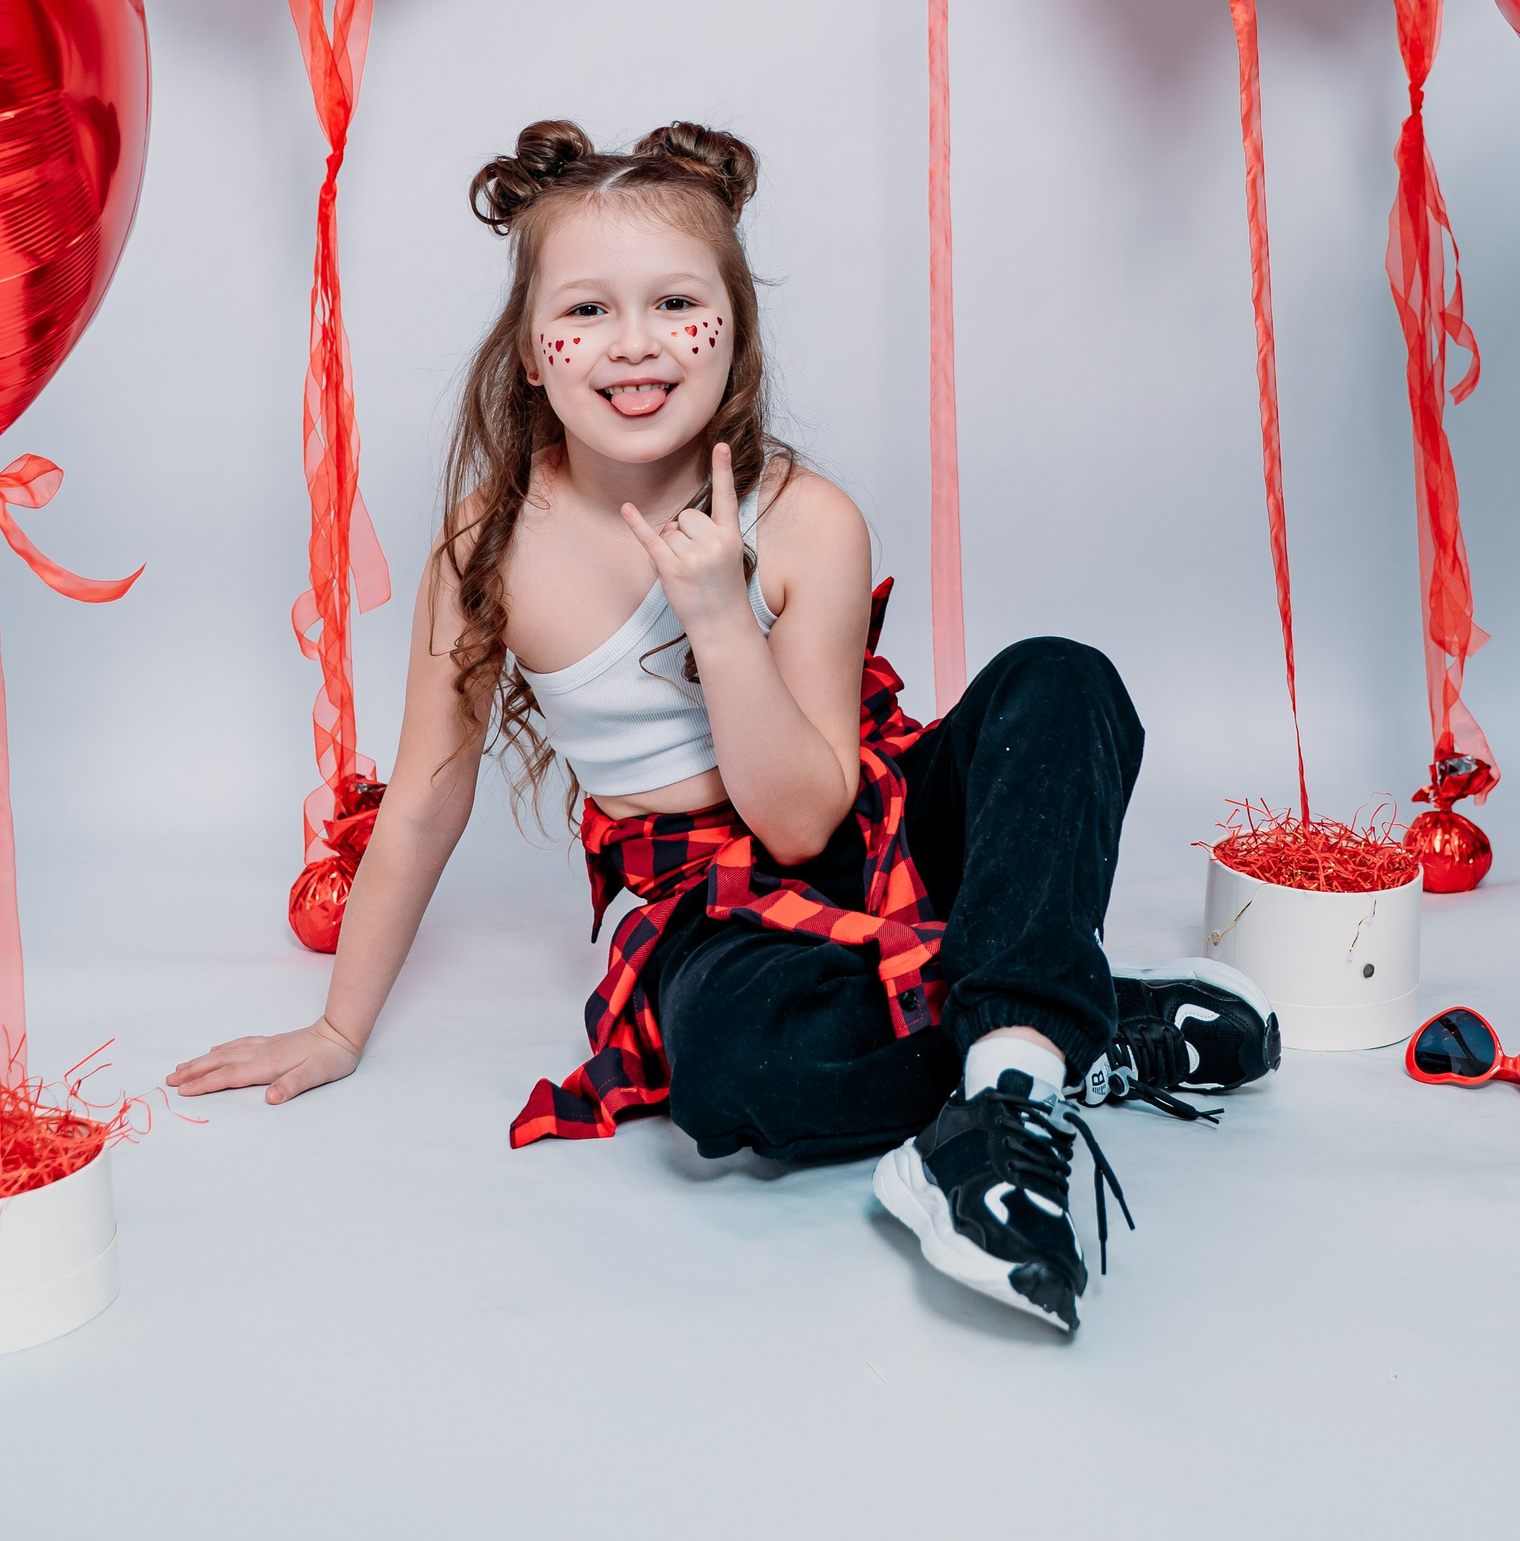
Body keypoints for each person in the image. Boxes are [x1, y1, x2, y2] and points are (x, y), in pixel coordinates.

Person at [169, 121, 1278, 1335]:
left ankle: (1009, 1093)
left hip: (864, 816)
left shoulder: (806, 519)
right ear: (531, 352)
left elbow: (806, 817)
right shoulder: (486, 549)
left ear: (733, 331)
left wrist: (719, 617)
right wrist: (339, 1026)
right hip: (708, 899)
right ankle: (1059, 1015)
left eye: (675, 303)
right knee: (737, 1072)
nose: (634, 341)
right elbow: (429, 798)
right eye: (586, 309)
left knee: (1061, 679)